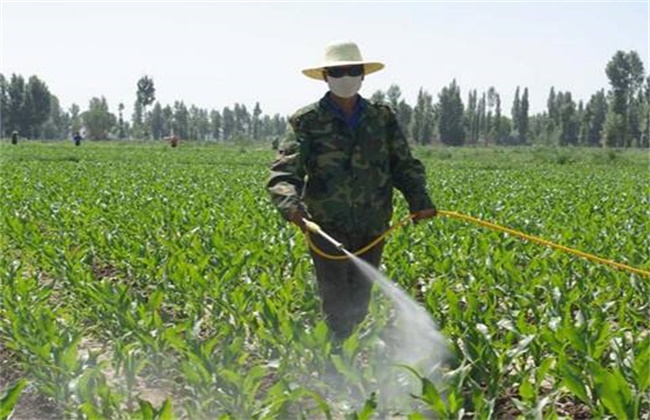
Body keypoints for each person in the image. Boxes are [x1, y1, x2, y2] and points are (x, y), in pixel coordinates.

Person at [267, 40, 437, 340]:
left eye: (352, 71)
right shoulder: (307, 121)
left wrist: (419, 200)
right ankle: (334, 366)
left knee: (359, 300)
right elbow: (285, 171)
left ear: (363, 75)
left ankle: (350, 355)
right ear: (325, 76)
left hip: (373, 224)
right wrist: (291, 206)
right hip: (325, 226)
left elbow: (404, 164)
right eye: (337, 71)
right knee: (336, 302)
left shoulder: (382, 119)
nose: (345, 77)